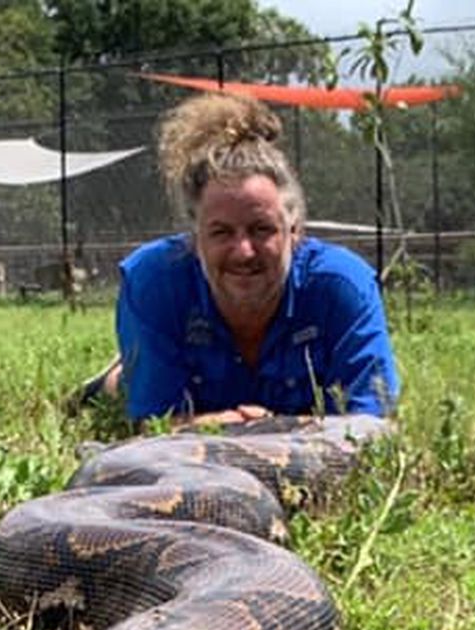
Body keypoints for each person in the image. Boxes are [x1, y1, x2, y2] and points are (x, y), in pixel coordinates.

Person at [80, 92, 399, 427]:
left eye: (262, 229)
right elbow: (154, 424)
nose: (244, 251)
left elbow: (371, 426)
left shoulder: (345, 287)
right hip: (202, 405)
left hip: (258, 414)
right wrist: (246, 428)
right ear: (195, 237)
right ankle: (110, 381)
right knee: (123, 392)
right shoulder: (154, 282)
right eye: (221, 232)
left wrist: (265, 427)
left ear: (295, 230)